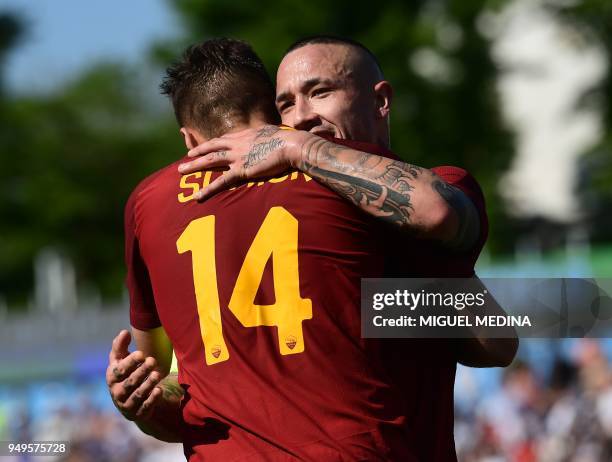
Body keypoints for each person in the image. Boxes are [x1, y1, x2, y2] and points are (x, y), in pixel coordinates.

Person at [107, 37, 516, 461]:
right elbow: (495, 343)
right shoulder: (384, 195)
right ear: (269, 115)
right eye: (287, 103)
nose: (303, 118)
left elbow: (176, 390)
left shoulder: (148, 203)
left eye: (320, 92)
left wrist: (146, 407)